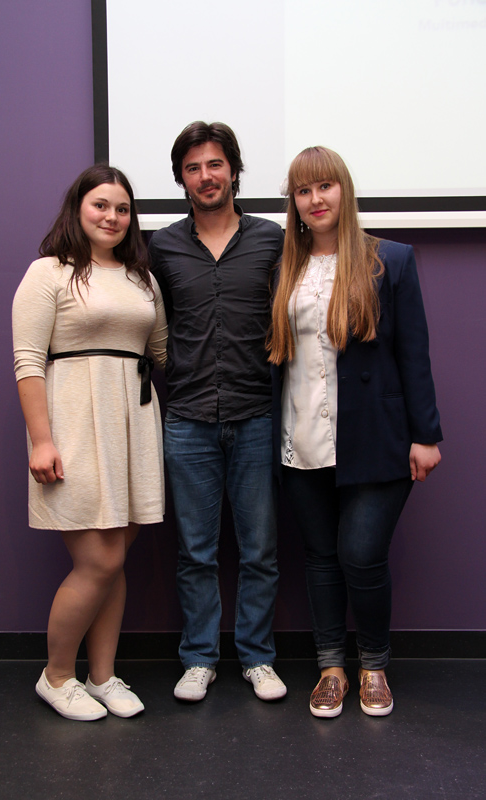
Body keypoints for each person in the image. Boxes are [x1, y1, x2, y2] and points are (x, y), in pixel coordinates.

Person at [268, 146, 442, 717]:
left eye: (325, 186)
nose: (315, 199)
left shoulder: (390, 260)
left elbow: (413, 353)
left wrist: (426, 436)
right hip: (301, 436)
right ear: (294, 203)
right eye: (303, 190)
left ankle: (373, 666)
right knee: (321, 557)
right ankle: (330, 668)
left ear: (344, 190)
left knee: (361, 555)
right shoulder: (285, 268)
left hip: (376, 436)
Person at [12, 164, 167, 721]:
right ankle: (56, 676)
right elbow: (28, 361)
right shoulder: (48, 272)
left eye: (123, 209)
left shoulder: (142, 279)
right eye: (101, 205)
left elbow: (162, 351)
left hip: (134, 426)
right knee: (98, 560)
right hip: (74, 425)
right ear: (77, 208)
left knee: (115, 558)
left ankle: (102, 675)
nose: (112, 216)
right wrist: (41, 440)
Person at [149, 122, 287, 702]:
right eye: (193, 168)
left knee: (260, 550)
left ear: (233, 170)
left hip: (256, 414)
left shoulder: (272, 239)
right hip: (187, 418)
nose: (205, 177)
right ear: (181, 178)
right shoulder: (162, 247)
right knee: (195, 552)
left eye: (215, 164)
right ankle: (199, 658)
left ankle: (257, 658)